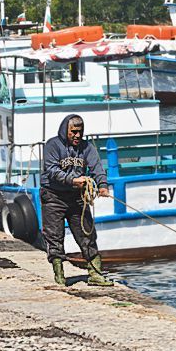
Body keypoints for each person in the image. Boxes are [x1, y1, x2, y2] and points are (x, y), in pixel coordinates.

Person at [40, 114, 113, 287]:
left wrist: (102, 185)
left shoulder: (87, 147)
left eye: (80, 132)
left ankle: (95, 274)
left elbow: (97, 167)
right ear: (66, 130)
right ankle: (59, 275)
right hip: (53, 195)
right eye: (73, 132)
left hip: (77, 197)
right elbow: (51, 170)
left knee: (87, 233)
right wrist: (72, 180)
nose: (77, 135)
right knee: (54, 235)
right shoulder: (52, 145)